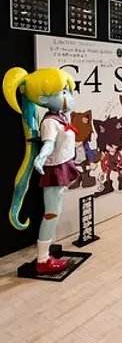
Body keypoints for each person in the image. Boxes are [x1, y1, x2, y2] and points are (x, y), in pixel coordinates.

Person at [3, 67, 79, 274]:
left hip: (62, 166)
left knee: (55, 211)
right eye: (63, 92)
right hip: (54, 170)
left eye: (67, 91)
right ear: (44, 99)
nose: (68, 96)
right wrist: (40, 158)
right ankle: (43, 259)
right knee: (52, 213)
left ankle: (46, 254)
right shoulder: (50, 123)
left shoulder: (60, 117)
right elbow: (48, 144)